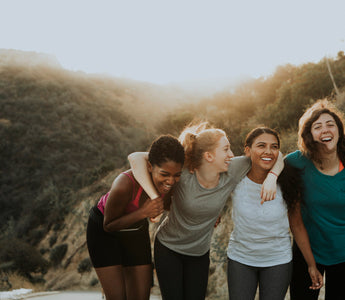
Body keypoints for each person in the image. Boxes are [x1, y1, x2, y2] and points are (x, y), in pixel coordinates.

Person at [128, 122, 283, 300]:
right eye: (226, 149)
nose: (231, 155)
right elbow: (135, 158)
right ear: (209, 156)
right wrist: (155, 197)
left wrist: (272, 178)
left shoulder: (232, 170)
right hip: (169, 248)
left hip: (199, 254)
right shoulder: (183, 172)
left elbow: (274, 155)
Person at [226, 127, 323, 300]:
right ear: (247, 151)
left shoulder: (288, 182)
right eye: (261, 146)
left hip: (277, 260)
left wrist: (311, 265)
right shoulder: (236, 177)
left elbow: (297, 225)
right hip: (240, 258)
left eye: (274, 147)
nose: (268, 151)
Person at [86, 135, 185, 300]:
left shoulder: (171, 185)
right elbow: (108, 225)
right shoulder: (124, 184)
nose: (170, 181)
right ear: (150, 166)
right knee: (117, 297)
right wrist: (143, 213)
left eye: (176, 175)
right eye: (164, 174)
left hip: (135, 231)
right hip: (104, 232)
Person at [285, 99, 345, 300]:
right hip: (307, 250)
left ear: (339, 130)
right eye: (317, 126)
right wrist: (270, 178)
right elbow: (295, 220)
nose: (325, 130)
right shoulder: (298, 161)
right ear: (309, 135)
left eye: (330, 124)